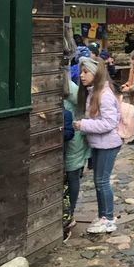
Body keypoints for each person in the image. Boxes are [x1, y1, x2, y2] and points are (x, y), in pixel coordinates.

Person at [73, 57, 122, 234]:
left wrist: (83, 125)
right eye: (81, 71)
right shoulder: (94, 92)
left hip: (108, 144)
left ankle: (108, 218)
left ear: (96, 74)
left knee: (102, 181)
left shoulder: (104, 95)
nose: (82, 75)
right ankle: (103, 216)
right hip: (100, 143)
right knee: (99, 181)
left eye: (86, 72)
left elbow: (109, 123)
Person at [62, 79, 90, 242]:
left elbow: (83, 105)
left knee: (72, 174)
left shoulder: (71, 87)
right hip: (67, 134)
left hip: (73, 136)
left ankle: (69, 214)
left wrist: (78, 124)